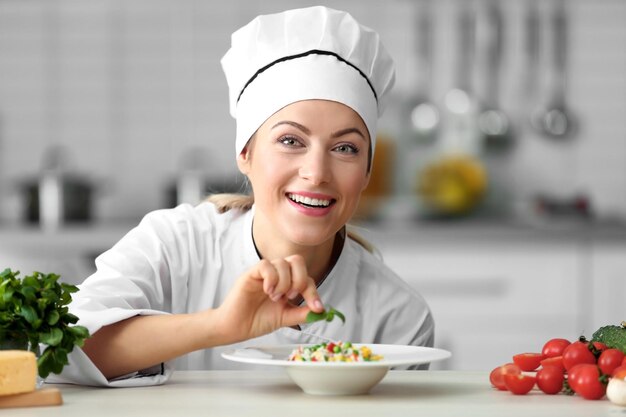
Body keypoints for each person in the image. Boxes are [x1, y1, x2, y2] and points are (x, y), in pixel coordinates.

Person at [50, 5, 434, 387]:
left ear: (367, 171)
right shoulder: (173, 245)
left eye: (346, 148)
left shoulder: (398, 317)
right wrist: (219, 326)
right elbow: (59, 350)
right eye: (290, 141)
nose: (316, 173)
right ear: (245, 154)